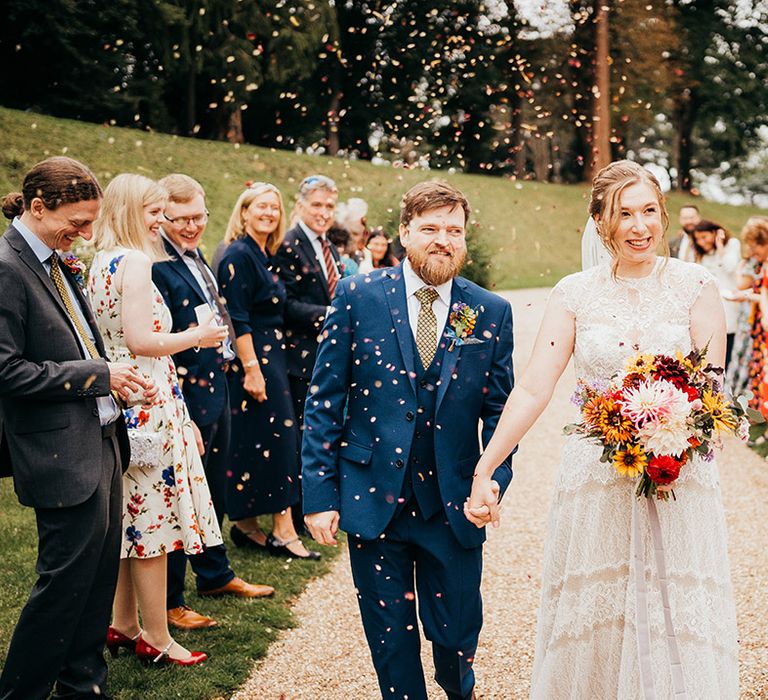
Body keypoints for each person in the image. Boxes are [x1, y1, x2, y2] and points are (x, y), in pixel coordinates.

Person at [467, 160, 738, 698]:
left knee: (672, 604)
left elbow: (713, 389)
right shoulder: (574, 293)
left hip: (677, 474)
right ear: (600, 222)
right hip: (597, 478)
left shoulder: (696, 286)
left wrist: (674, 429)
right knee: (600, 606)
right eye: (623, 214)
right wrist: (486, 465)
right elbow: (533, 388)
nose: (639, 227)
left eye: (648, 213)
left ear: (663, 216)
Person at [302, 180, 514, 699]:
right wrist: (319, 496)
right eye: (430, 229)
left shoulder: (488, 310)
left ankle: (456, 689)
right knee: (391, 640)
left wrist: (494, 482)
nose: (443, 240)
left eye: (453, 231)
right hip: (374, 498)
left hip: (454, 504)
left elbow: (501, 414)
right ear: (404, 232)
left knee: (457, 632)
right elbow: (324, 401)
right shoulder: (356, 296)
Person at [0, 157, 155, 700]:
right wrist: (99, 375)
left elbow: (74, 345)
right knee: (63, 588)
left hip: (101, 442)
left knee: (93, 587)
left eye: (92, 222)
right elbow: (6, 369)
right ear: (37, 208)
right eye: (78, 222)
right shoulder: (8, 265)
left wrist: (119, 380)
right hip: (59, 453)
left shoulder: (54, 258)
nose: (86, 234)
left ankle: (83, 688)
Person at [89, 173, 225, 666]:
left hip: (126, 399)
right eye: (153, 211)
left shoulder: (99, 262)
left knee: (129, 520)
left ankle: (122, 624)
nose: (161, 220)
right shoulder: (138, 262)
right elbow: (143, 342)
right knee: (152, 524)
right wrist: (197, 335)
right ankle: (158, 635)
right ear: (130, 211)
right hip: (146, 398)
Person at [152, 174, 275, 631]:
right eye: (180, 219)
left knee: (212, 486)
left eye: (198, 217)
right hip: (186, 388)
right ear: (161, 215)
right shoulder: (154, 262)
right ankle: (170, 599)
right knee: (180, 494)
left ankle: (214, 573)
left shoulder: (194, 253)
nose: (191, 226)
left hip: (215, 380)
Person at [217, 183, 319, 559]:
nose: (269, 213)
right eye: (261, 206)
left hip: (271, 352)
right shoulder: (238, 254)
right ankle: (283, 529)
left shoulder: (263, 253)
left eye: (274, 208)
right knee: (280, 442)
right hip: (255, 355)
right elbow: (236, 317)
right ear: (243, 212)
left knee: (256, 439)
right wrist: (251, 370)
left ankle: (246, 523)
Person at [273, 174, 342, 531]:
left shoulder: (328, 245)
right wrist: (330, 315)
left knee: (321, 431)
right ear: (300, 205)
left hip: (323, 356)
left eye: (329, 206)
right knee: (304, 436)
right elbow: (285, 305)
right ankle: (302, 514)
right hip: (297, 358)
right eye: (317, 204)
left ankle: (319, 503)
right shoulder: (289, 243)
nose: (323, 212)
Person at [688, 219, 742, 367]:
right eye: (697, 239)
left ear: (714, 233)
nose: (701, 242)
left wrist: (719, 247)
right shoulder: (699, 253)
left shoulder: (732, 244)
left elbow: (730, 267)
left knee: (726, 346)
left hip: (728, 303)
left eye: (704, 237)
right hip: (706, 305)